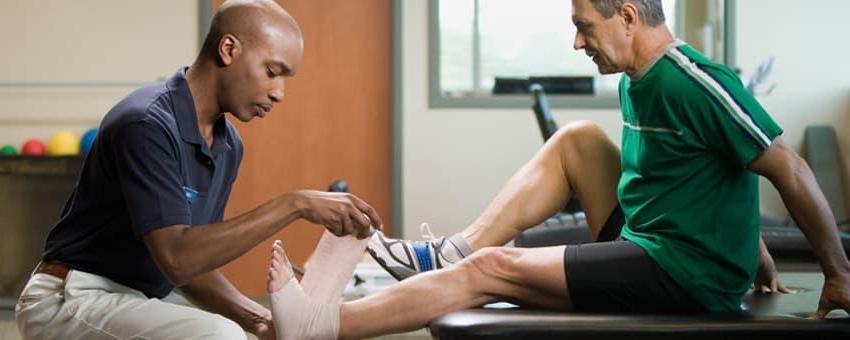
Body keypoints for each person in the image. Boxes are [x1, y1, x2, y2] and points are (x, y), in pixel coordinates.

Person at [265, 0, 850, 339]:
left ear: (626, 16)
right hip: (660, 244)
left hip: (683, 275)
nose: (577, 42)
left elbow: (788, 168)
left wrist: (837, 271)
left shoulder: (693, 82)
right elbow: (711, 170)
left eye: (584, 26)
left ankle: (323, 325)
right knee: (579, 141)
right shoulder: (636, 80)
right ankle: (450, 251)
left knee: (493, 269)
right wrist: (748, 244)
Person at [14, 1, 381, 339]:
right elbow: (177, 258)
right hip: (69, 298)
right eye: (272, 71)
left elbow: (195, 263)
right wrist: (295, 204)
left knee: (232, 331)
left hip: (132, 299)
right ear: (229, 49)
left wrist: (258, 319)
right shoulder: (146, 124)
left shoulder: (227, 144)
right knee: (220, 337)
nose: (279, 92)